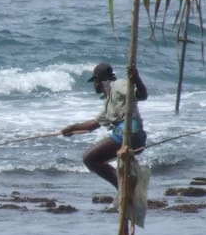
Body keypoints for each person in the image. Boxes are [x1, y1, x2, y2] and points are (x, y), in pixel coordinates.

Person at [61, 62, 148, 190]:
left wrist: (137, 79)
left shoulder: (118, 84)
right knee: (93, 160)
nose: (94, 86)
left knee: (89, 159)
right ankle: (125, 186)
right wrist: (72, 129)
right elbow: (93, 124)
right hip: (133, 135)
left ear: (99, 80)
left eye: (95, 82)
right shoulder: (109, 100)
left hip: (129, 131)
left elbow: (142, 95)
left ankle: (125, 186)